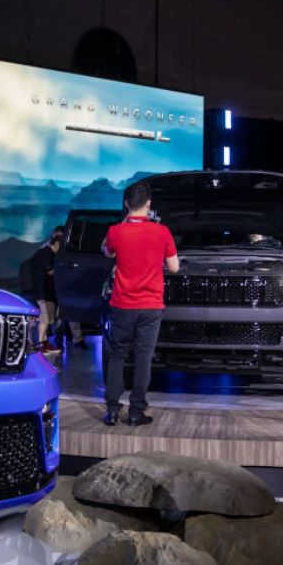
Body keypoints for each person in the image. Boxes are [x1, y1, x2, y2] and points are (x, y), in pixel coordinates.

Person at [101, 181, 179, 426]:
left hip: (122, 305)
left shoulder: (115, 231)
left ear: (126, 204)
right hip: (151, 306)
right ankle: (136, 412)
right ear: (149, 204)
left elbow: (107, 252)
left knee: (117, 356)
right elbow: (174, 268)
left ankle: (112, 410)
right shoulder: (162, 232)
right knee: (143, 358)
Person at [30, 234, 61, 350]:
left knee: (46, 320)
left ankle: (44, 343)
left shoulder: (44, 252)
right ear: (56, 244)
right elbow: (48, 271)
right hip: (44, 293)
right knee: (45, 320)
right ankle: (41, 345)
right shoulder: (47, 254)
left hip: (43, 292)